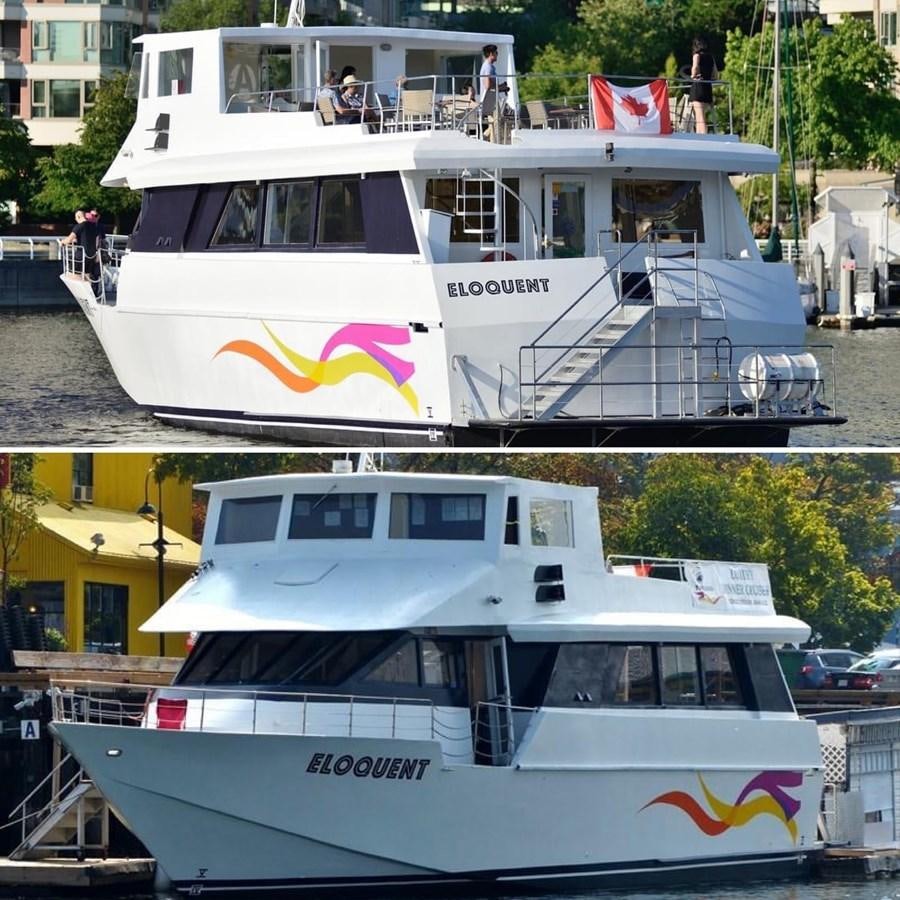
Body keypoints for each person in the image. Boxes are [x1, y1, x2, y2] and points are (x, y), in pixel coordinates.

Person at [61, 207, 102, 295]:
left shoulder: (79, 226)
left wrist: (62, 242)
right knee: (87, 274)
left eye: (76, 218)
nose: (76, 220)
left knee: (70, 275)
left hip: (80, 256)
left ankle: (85, 292)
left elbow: (68, 240)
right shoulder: (93, 226)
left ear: (79, 216)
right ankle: (91, 292)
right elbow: (89, 240)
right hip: (91, 256)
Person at [689, 37, 718, 135]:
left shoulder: (697, 56)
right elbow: (715, 74)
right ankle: (701, 134)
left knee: (699, 116)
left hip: (699, 87)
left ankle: (701, 135)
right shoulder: (711, 57)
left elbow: (695, 68)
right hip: (707, 87)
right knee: (703, 114)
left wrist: (693, 75)